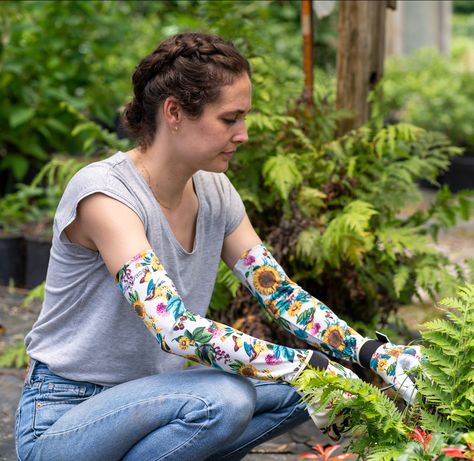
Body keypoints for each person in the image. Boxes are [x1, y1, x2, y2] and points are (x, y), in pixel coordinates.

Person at [15, 32, 423, 461]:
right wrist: (302, 365)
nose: (243, 134)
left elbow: (281, 297)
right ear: (174, 112)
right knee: (225, 400)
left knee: (328, 387)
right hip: (65, 417)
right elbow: (174, 329)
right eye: (230, 119)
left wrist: (369, 354)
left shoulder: (215, 192)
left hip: (155, 402)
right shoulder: (105, 195)